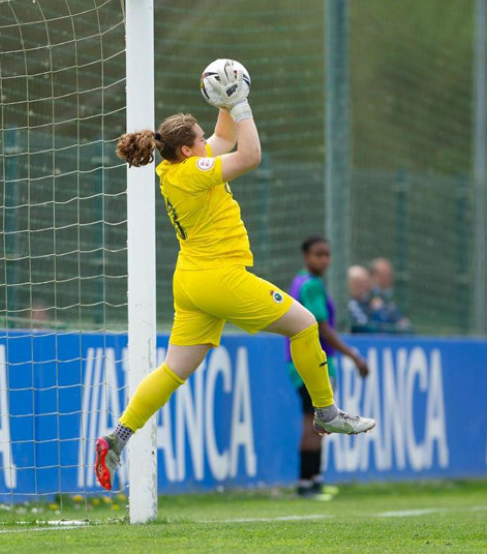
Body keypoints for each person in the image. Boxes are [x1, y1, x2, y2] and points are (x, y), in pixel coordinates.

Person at [94, 61, 375, 491]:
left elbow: (223, 138)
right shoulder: (191, 173)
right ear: (188, 151)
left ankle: (118, 437)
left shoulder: (173, 167)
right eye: (200, 141)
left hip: (190, 281)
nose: (208, 142)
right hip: (219, 277)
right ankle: (327, 413)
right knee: (304, 326)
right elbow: (249, 154)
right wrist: (240, 104)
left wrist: (225, 98)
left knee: (173, 370)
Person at [287, 236, 370, 499]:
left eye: (327, 254)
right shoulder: (310, 286)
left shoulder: (305, 282)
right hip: (313, 362)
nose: (323, 260)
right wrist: (353, 355)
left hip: (312, 362)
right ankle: (305, 484)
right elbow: (321, 326)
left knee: (321, 423)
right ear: (306, 257)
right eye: (317, 254)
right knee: (314, 422)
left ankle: (315, 480)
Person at [369, 257, 412, 332]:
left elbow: (404, 324)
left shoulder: (388, 300)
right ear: (374, 276)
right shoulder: (368, 298)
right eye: (385, 275)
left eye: (390, 274)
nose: (389, 278)